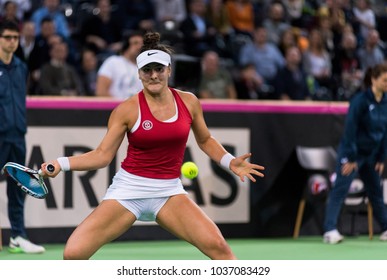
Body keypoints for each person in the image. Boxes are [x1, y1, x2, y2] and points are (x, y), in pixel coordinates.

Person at [40, 31, 265, 260]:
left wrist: (229, 161)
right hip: (129, 190)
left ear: (169, 70)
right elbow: (102, 155)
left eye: (159, 69)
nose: (154, 75)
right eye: (147, 70)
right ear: (139, 74)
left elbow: (205, 140)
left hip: (168, 192)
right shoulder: (126, 109)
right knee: (73, 254)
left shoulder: (189, 102)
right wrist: (61, 163)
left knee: (221, 250)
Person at [323, 63, 387, 244]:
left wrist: (381, 156)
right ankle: (330, 231)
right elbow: (350, 130)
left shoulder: (386, 102)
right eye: (384, 80)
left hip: (372, 155)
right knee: (340, 189)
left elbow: (385, 132)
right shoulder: (360, 101)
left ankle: (385, 228)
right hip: (352, 154)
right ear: (374, 79)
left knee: (375, 190)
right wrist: (351, 157)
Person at [0, 20, 45, 253]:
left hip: (18, 136)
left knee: (18, 187)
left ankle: (18, 236)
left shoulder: (20, 66)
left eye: (15, 38)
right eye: (7, 37)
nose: (12, 41)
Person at [95, 31, 143, 98]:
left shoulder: (145, 68)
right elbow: (101, 92)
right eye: (135, 43)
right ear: (126, 45)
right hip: (113, 107)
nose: (139, 47)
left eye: (141, 44)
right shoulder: (113, 62)